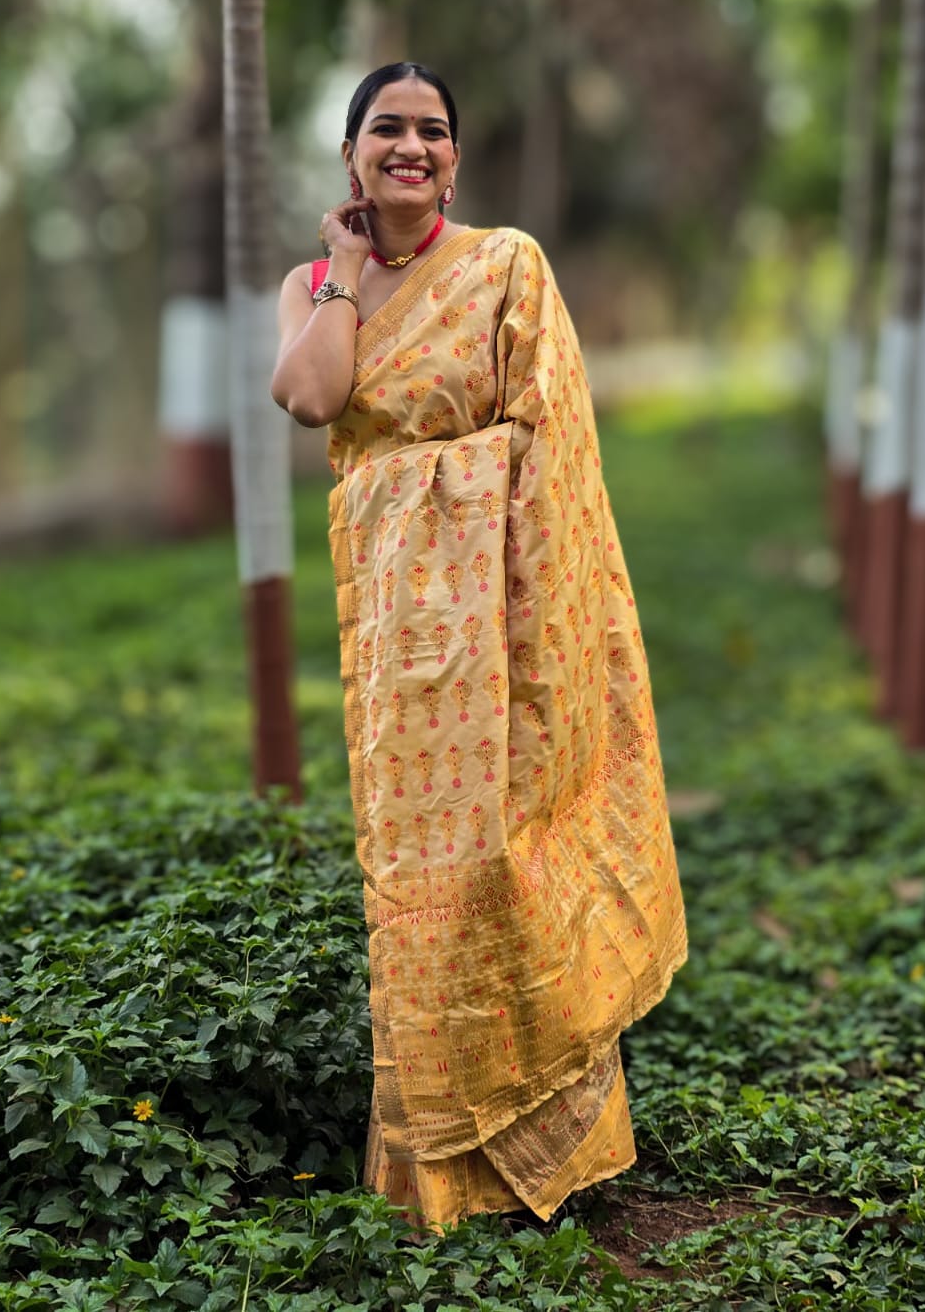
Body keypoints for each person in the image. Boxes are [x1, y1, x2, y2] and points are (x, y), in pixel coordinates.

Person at [272, 62, 687, 1228]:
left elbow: (548, 438)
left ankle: (549, 1136)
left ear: (454, 156)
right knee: (414, 880)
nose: (412, 147)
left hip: (508, 609)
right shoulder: (311, 284)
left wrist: (463, 491)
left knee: (512, 848)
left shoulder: (507, 265)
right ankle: (436, 1170)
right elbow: (310, 400)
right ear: (350, 152)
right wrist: (345, 275)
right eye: (387, 130)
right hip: (397, 627)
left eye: (433, 132)